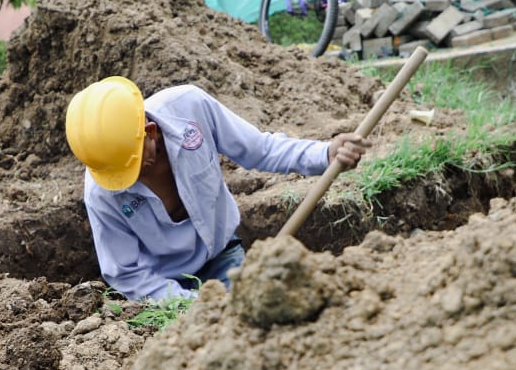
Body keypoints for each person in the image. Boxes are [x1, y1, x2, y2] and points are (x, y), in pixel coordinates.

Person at [65, 76, 366, 301]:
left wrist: (323, 154)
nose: (124, 180)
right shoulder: (101, 188)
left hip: (222, 256)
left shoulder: (190, 108)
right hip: (161, 286)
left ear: (150, 133)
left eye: (130, 166)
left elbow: (259, 149)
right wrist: (194, 306)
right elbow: (126, 272)